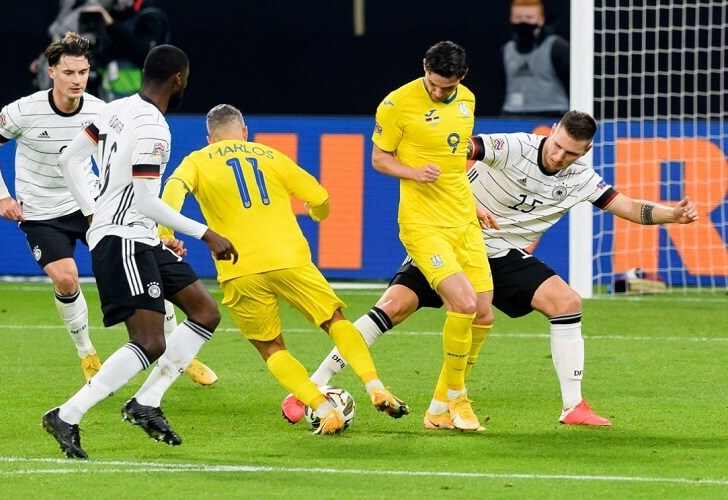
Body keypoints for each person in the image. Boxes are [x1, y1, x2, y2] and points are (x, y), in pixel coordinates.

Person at [283, 110, 699, 428]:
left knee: (566, 301)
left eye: (571, 152)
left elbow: (627, 207)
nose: (559, 155)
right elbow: (455, 153)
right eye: (557, 145)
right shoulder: (513, 146)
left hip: (501, 254)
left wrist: (671, 215)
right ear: (552, 130)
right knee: (394, 306)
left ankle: (572, 405)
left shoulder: (581, 177)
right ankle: (312, 387)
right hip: (450, 238)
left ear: (585, 151)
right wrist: (464, 203)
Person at [157, 104, 409, 436]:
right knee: (335, 321)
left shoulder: (197, 160)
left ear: (209, 138)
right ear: (244, 132)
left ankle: (323, 409)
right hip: (291, 258)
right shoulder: (269, 155)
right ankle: (374, 385)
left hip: (240, 267)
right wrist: (317, 213)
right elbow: (320, 197)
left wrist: (166, 234)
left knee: (271, 347)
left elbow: (173, 189)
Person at [42, 44, 238, 459]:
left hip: (140, 236)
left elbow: (70, 159)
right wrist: (206, 233)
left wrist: (92, 210)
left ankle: (146, 402)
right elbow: (147, 201)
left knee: (205, 312)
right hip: (124, 239)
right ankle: (67, 415)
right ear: (178, 79)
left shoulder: (115, 109)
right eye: (186, 79)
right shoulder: (154, 128)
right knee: (149, 342)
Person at [363, 40, 494, 431]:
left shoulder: (467, 100)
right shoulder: (396, 104)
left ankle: (438, 409)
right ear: (424, 66)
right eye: (433, 83)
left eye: (446, 86)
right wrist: (413, 172)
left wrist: (474, 207)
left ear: (462, 78)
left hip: (463, 220)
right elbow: (379, 158)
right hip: (422, 224)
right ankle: (458, 397)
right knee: (464, 303)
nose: (437, 92)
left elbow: (454, 168)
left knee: (483, 313)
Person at [0, 32, 105, 382]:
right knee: (66, 279)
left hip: (88, 204)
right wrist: (2, 196)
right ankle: (87, 353)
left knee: (134, 264)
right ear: (51, 72)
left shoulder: (100, 111)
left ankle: (176, 353)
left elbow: (110, 156)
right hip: (41, 211)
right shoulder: (24, 110)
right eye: (69, 72)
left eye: (83, 72)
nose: (77, 80)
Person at [501, 0, 569, 117]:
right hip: (513, 115)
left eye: (529, 17)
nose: (523, 22)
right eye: (518, 17)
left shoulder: (557, 47)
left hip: (552, 114)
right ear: (511, 19)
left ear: (541, 20)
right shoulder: (506, 50)